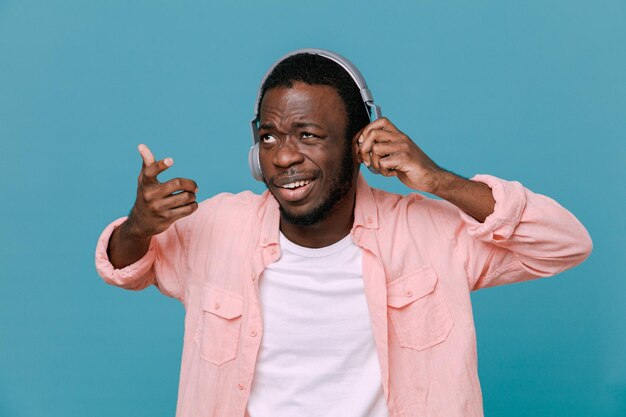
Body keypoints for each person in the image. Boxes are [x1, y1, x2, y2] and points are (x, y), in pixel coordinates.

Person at [95, 49, 592, 417]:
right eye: (269, 137)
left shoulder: (431, 235)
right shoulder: (217, 227)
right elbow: (125, 268)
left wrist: (441, 181)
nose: (284, 156)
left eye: (308, 135)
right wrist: (138, 225)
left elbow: (566, 243)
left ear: (361, 143)